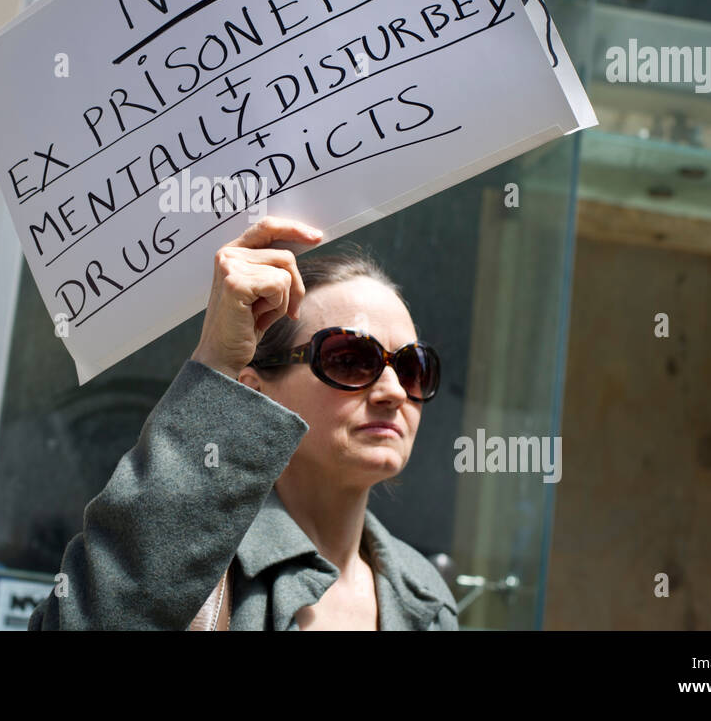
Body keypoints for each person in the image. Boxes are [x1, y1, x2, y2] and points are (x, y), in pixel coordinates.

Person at [28, 215, 458, 630]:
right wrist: (215, 363)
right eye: (349, 360)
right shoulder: (189, 570)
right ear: (252, 391)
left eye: (412, 367)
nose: (394, 392)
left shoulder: (427, 599)